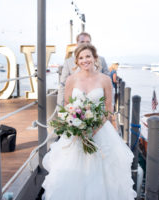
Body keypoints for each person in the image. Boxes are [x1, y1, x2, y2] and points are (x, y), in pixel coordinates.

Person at [42, 44, 136, 200]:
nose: (85, 60)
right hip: (76, 132)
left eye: (88, 56)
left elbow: (108, 109)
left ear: (95, 58)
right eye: (81, 58)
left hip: (100, 130)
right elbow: (67, 105)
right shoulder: (71, 79)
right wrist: (74, 124)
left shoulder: (105, 80)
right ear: (77, 61)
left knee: (103, 174)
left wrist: (93, 129)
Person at [57, 32, 110, 107]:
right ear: (77, 44)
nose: (85, 44)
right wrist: (60, 107)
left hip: (98, 109)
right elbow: (62, 85)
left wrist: (109, 109)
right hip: (76, 110)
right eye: (82, 42)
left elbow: (109, 87)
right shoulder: (68, 62)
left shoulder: (101, 60)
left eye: (88, 42)